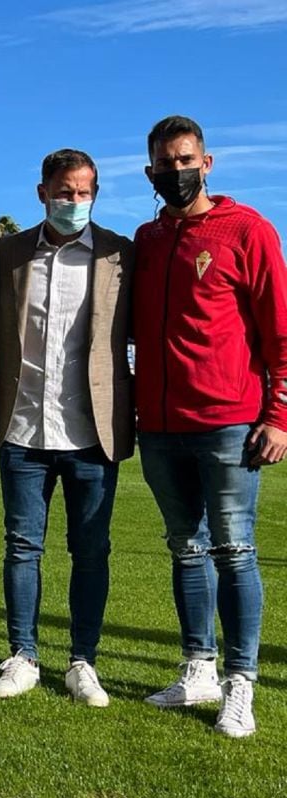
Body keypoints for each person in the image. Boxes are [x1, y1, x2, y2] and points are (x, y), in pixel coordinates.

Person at [134, 115, 287, 738]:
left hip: (229, 424)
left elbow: (280, 332)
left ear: (208, 162)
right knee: (186, 549)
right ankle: (198, 667)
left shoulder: (246, 229)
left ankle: (241, 682)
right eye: (166, 163)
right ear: (149, 172)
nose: (177, 171)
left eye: (186, 159)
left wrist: (279, 415)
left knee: (235, 549)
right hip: (161, 427)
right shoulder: (145, 239)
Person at [0, 149, 134, 706]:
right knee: (22, 546)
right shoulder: (10, 252)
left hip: (92, 431)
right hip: (23, 427)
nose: (75, 202)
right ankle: (22, 654)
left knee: (90, 550)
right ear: (42, 192)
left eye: (84, 192)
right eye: (64, 191)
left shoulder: (121, 254)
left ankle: (82, 662)